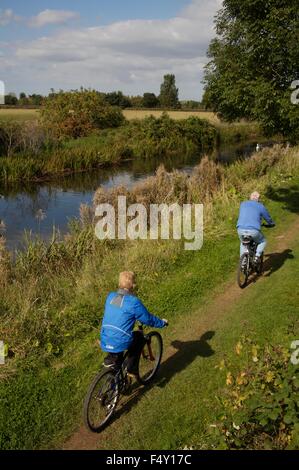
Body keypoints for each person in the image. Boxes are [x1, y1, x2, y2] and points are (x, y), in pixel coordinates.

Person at [100, 271, 168, 377]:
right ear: (133, 284)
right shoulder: (133, 302)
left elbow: (119, 309)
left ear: (119, 283)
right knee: (140, 337)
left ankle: (114, 387)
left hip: (105, 336)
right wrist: (162, 323)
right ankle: (131, 368)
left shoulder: (111, 296)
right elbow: (148, 319)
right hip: (120, 339)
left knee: (116, 359)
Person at [237, 191, 275, 263]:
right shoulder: (260, 206)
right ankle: (257, 256)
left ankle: (243, 263)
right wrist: (271, 223)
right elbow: (267, 218)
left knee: (243, 243)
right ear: (258, 199)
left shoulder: (243, 204)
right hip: (253, 230)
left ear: (250, 197)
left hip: (240, 229)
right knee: (263, 241)